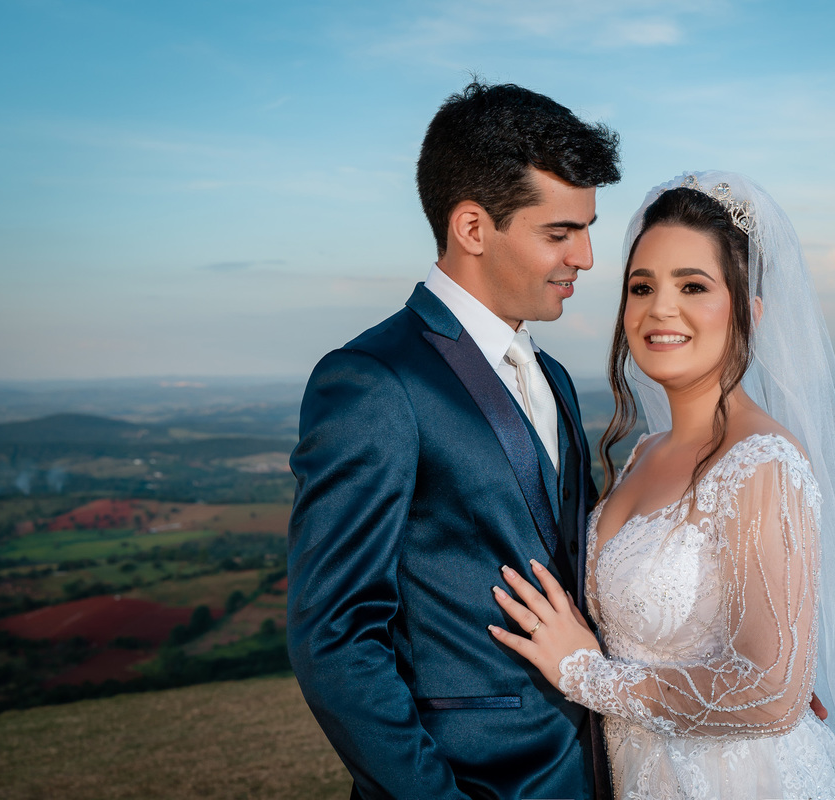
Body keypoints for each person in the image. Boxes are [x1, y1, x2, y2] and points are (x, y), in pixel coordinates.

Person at [490, 171, 835, 798]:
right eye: (642, 287)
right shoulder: (645, 453)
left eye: (693, 285)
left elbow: (772, 693)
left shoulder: (763, 463)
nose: (660, 309)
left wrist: (586, 675)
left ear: (749, 311)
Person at [286, 81, 621, 799]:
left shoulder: (554, 376)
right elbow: (336, 641)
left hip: (588, 772)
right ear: (472, 228)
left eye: (587, 229)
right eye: (560, 233)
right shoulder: (374, 382)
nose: (587, 257)